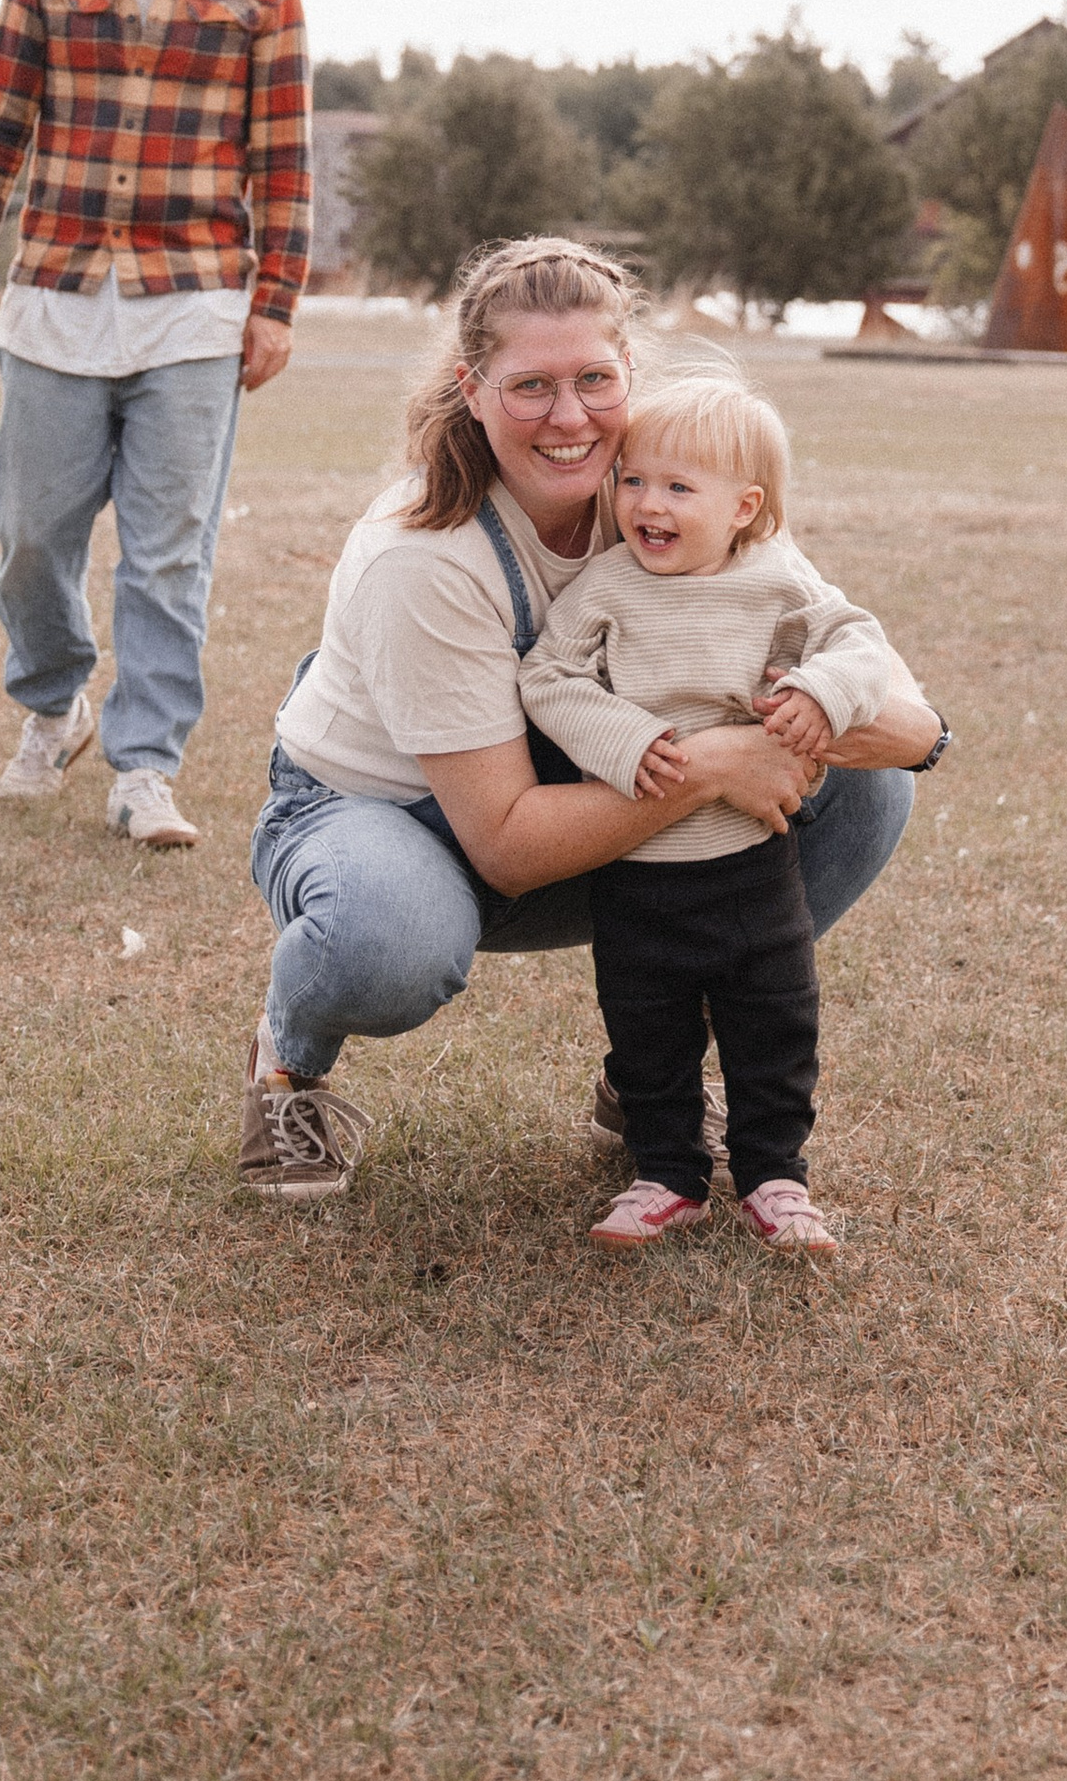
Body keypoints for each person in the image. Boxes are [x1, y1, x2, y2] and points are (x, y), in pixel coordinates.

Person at [238, 235, 946, 1199]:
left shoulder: (668, 491)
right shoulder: (426, 555)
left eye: (594, 379)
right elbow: (508, 848)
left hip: (587, 792)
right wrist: (713, 763)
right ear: (472, 387)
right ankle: (288, 1062)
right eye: (530, 385)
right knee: (391, 938)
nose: (568, 418)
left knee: (868, 794)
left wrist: (857, 719)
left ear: (631, 377)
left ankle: (647, 1078)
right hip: (390, 818)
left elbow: (908, 726)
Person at [0, 0, 309, 844]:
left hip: (193, 306)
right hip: (55, 293)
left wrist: (273, 302)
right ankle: (53, 703)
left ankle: (145, 768)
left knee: (168, 549)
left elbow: (281, 164)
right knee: (29, 533)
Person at [520, 365, 905, 1256]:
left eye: (678, 488)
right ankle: (665, 1175)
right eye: (634, 480)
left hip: (751, 864)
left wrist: (820, 688)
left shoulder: (775, 579)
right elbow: (546, 676)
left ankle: (777, 1179)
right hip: (640, 868)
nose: (646, 503)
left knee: (772, 1023)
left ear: (743, 507)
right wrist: (622, 739)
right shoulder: (609, 587)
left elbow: (860, 641)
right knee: (645, 1029)